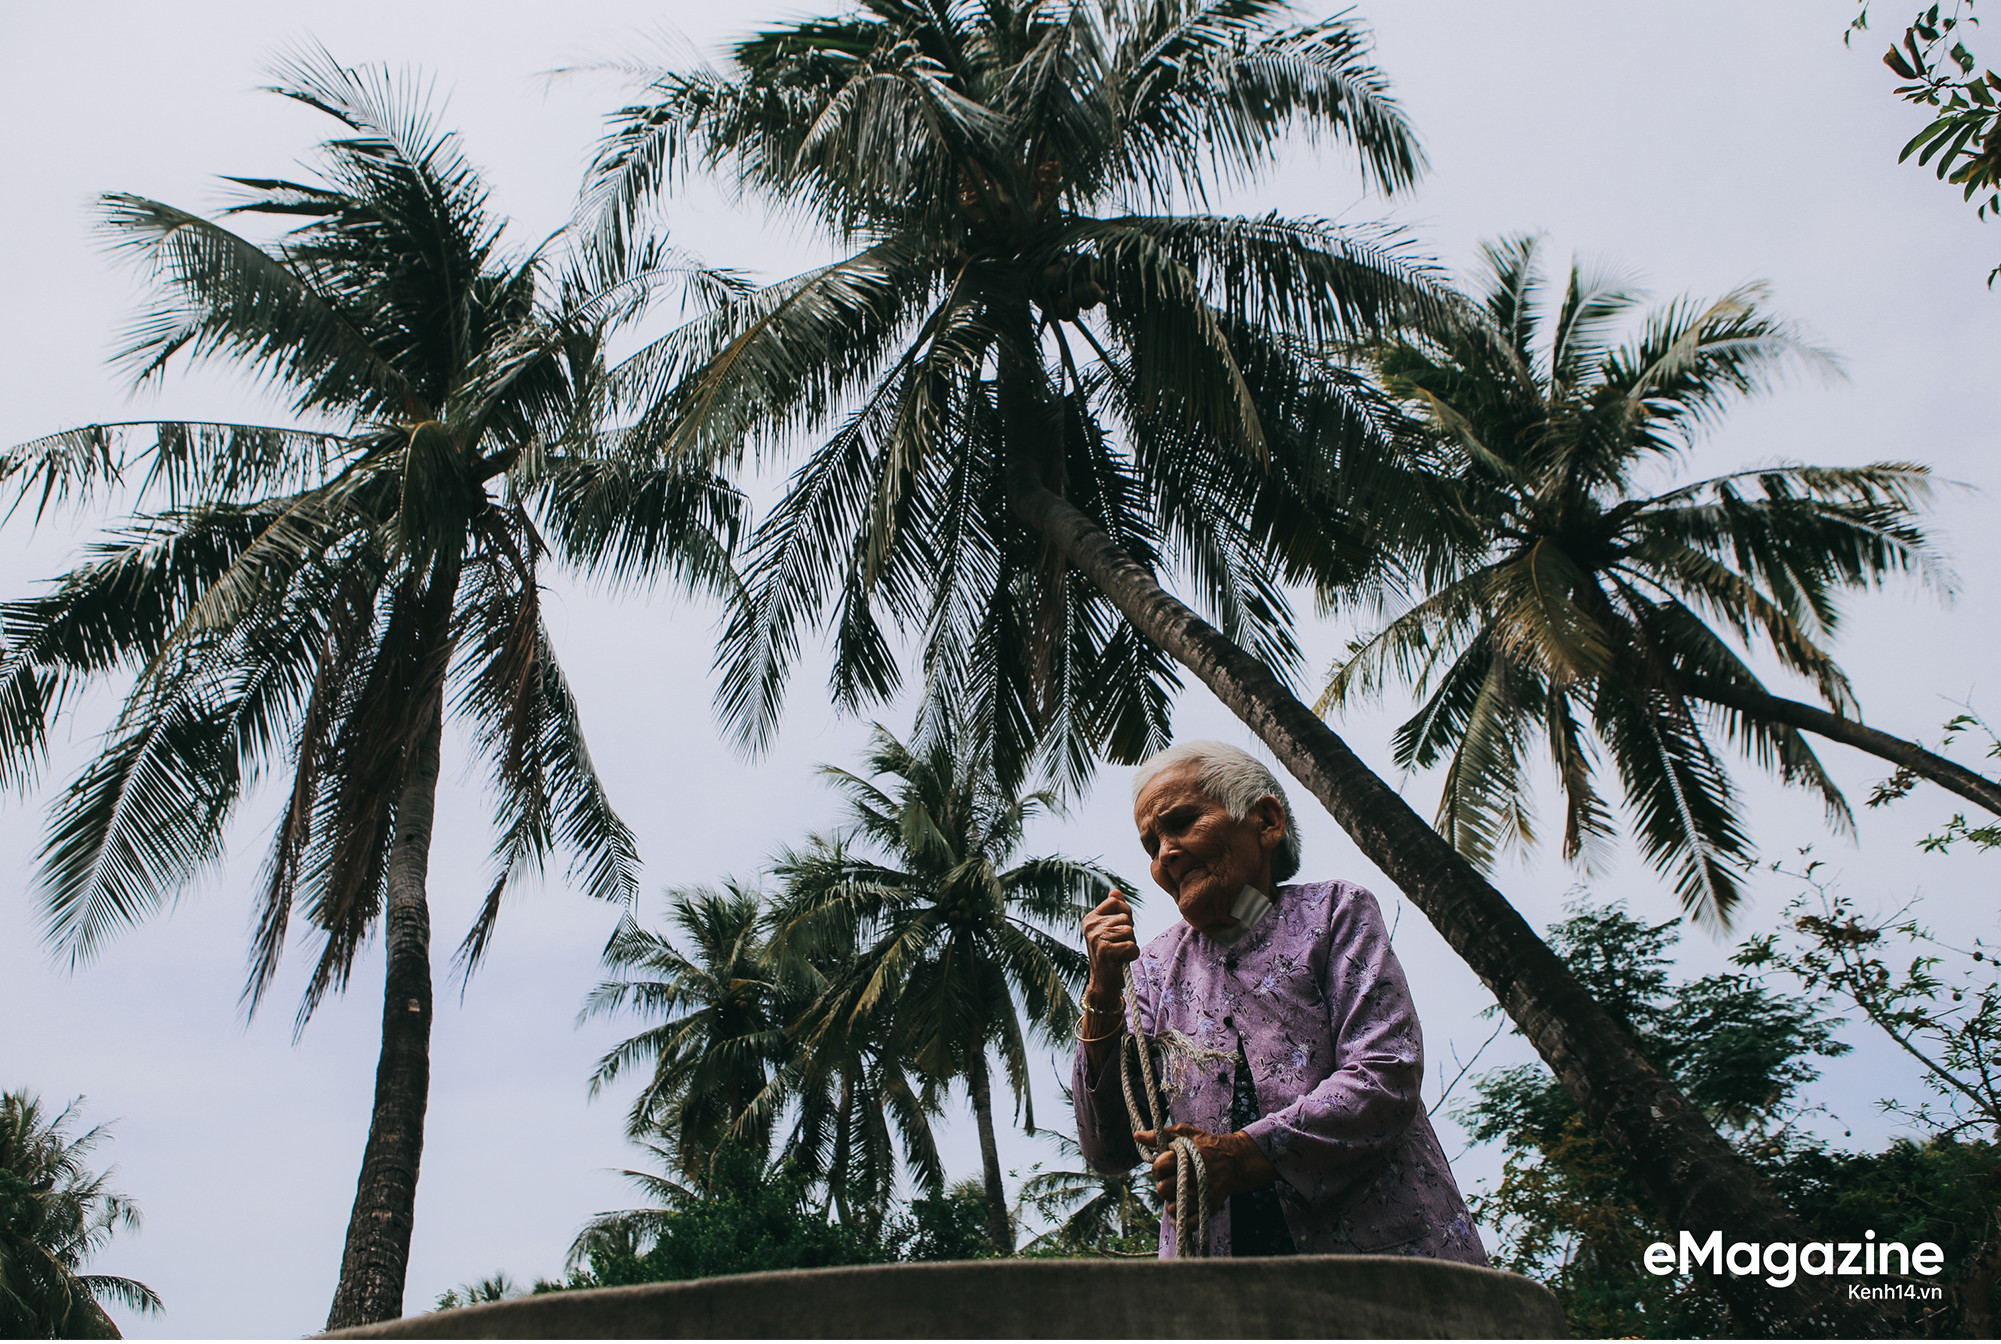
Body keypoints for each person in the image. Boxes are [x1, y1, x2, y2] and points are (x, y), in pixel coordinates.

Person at [1073, 740, 1486, 1262]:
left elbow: (1386, 1074)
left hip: (1382, 1266)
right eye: (1151, 845)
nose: (1165, 856)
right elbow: (1107, 1149)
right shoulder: (1151, 970)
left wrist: (1243, 1156)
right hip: (1219, 1282)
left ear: (1267, 821)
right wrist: (1102, 992)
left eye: (1180, 823)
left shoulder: (1336, 912)